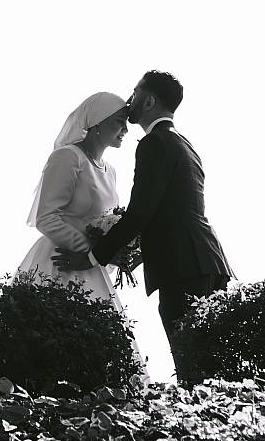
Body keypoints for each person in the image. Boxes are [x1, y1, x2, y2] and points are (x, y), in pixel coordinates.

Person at [53, 71, 232, 379]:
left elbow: (140, 213)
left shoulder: (153, 143)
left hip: (183, 268)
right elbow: (169, 212)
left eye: (134, 93)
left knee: (192, 367)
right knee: (211, 365)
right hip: (208, 262)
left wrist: (93, 257)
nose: (129, 100)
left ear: (148, 101)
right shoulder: (184, 143)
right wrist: (135, 254)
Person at [17, 91, 139, 330]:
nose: (125, 129)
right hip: (60, 260)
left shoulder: (111, 171)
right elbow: (46, 218)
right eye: (119, 122)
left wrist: (112, 250)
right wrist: (93, 249)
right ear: (97, 123)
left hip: (91, 264)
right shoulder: (68, 157)